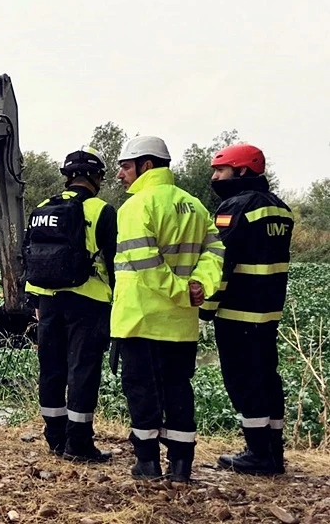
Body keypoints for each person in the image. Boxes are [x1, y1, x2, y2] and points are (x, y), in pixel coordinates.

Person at [110, 135, 224, 482]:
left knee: (142, 391)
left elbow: (145, 265)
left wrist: (178, 291)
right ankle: (181, 466)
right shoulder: (194, 206)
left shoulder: (135, 207)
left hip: (140, 319)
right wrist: (200, 287)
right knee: (178, 390)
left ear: (147, 165)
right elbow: (216, 251)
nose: (119, 175)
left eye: (125, 167)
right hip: (181, 324)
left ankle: (147, 462)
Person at [199, 143, 293, 476]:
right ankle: (273, 450)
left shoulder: (235, 208)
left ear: (241, 172)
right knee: (268, 377)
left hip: (238, 311)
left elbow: (221, 264)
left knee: (243, 380)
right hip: (268, 312)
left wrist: (206, 308)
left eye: (219, 171)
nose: (214, 177)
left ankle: (257, 454)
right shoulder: (280, 209)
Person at [23, 146, 117, 463]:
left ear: (68, 176)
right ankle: (78, 444)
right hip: (88, 302)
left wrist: (33, 299)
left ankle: (54, 438)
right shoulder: (102, 211)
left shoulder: (41, 207)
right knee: (83, 371)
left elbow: (29, 255)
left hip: (47, 301)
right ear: (94, 177)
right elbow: (115, 262)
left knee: (51, 369)